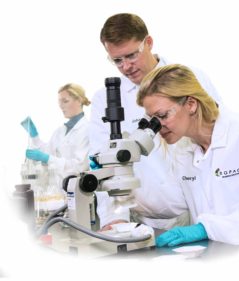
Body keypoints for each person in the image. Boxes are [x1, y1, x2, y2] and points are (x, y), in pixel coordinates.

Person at [89, 13, 222, 230]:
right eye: (117, 60)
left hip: (199, 213)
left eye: (131, 56)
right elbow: (105, 164)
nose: (125, 67)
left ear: (148, 43)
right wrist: (114, 218)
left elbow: (218, 140)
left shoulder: (191, 78)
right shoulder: (105, 98)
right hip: (142, 219)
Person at [136, 64, 239, 246]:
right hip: (212, 256)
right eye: (152, 120)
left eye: (163, 115)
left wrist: (205, 228)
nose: (157, 127)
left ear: (191, 104)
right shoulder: (183, 150)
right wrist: (119, 186)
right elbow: (172, 203)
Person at [21, 83, 91, 190]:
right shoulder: (61, 130)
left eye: (65, 101)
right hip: (57, 191)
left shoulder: (87, 129)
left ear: (79, 100)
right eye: (59, 102)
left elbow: (79, 166)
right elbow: (47, 152)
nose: (61, 106)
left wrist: (48, 158)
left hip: (77, 190)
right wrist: (34, 136)